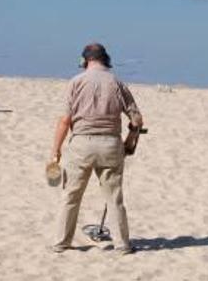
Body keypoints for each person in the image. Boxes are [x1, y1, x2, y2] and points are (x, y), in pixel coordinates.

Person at [50, 43, 145, 255]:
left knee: (71, 195)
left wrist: (55, 149)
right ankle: (122, 245)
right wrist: (130, 140)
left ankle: (61, 243)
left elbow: (65, 120)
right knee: (114, 197)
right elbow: (137, 120)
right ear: (106, 60)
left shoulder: (75, 82)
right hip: (111, 144)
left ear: (85, 61)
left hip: (81, 145)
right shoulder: (117, 83)